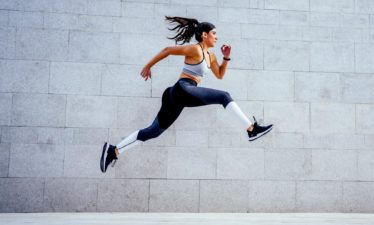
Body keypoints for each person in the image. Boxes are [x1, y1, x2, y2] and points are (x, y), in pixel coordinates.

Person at [100, 16, 273, 173]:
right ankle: (252, 129)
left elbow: (220, 75)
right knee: (224, 96)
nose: (217, 37)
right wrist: (148, 66)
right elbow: (167, 50)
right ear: (204, 35)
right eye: (214, 33)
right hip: (183, 88)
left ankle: (114, 150)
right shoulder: (195, 50)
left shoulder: (210, 56)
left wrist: (226, 58)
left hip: (177, 95)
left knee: (154, 131)